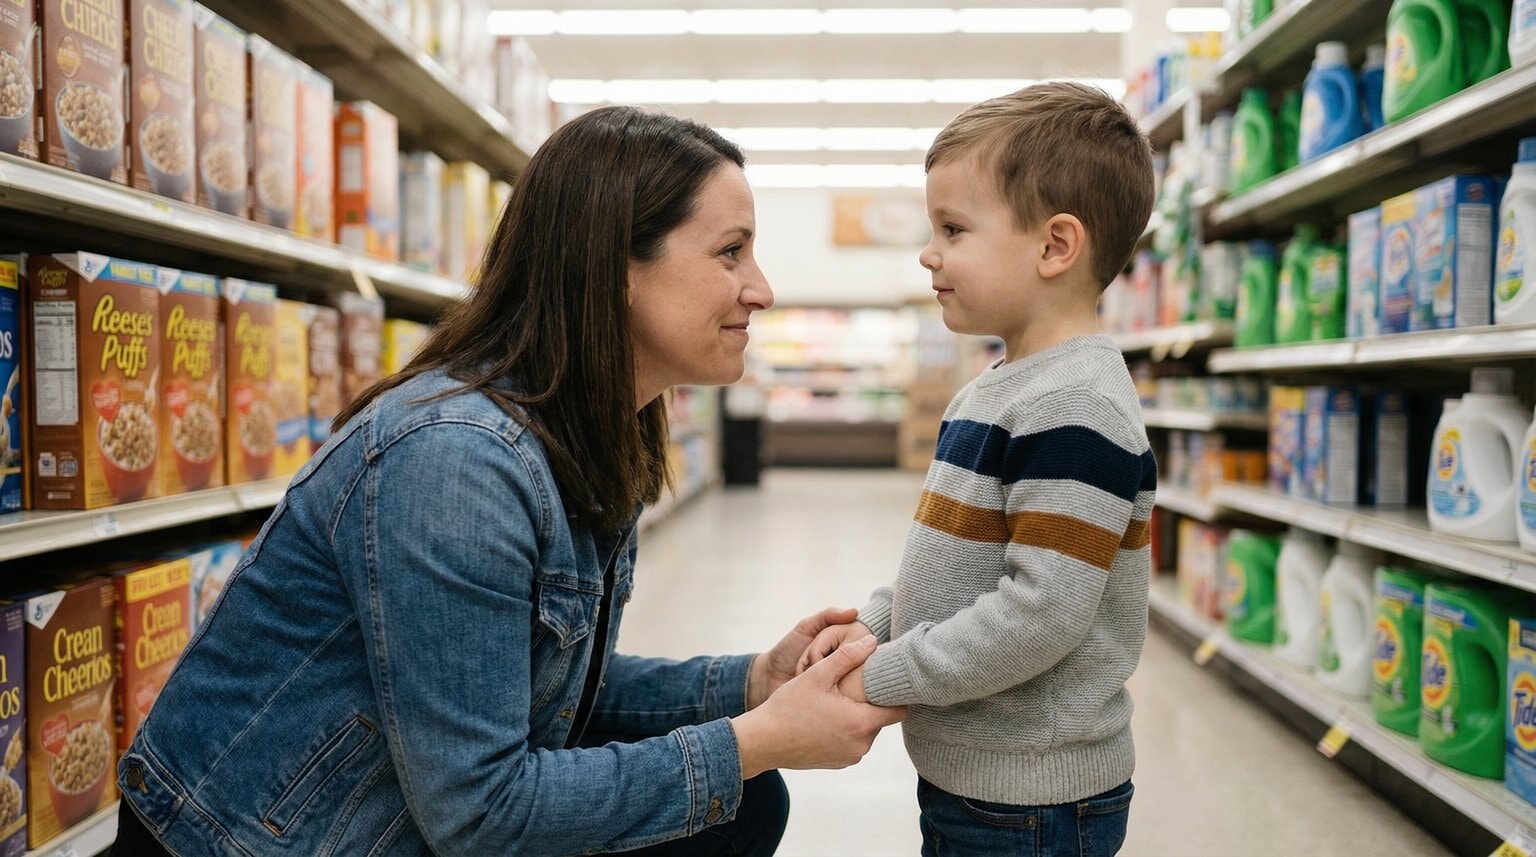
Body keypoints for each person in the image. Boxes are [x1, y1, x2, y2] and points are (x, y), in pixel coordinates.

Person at [112, 106, 904, 857]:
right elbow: (481, 812)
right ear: (615, 267)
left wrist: (751, 683)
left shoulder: (592, 431)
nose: (761, 287)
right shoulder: (457, 461)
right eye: (731, 251)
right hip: (254, 842)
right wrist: (756, 738)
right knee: (737, 791)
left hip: (399, 814)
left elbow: (538, 691)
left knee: (743, 802)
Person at [799, 82, 1159, 857]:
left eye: (953, 229)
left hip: (1034, 792)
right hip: (982, 772)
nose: (929, 253)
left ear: (1055, 246)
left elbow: (1039, 615)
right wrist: (872, 625)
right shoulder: (992, 388)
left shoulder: (1077, 407)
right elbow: (949, 559)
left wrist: (881, 674)